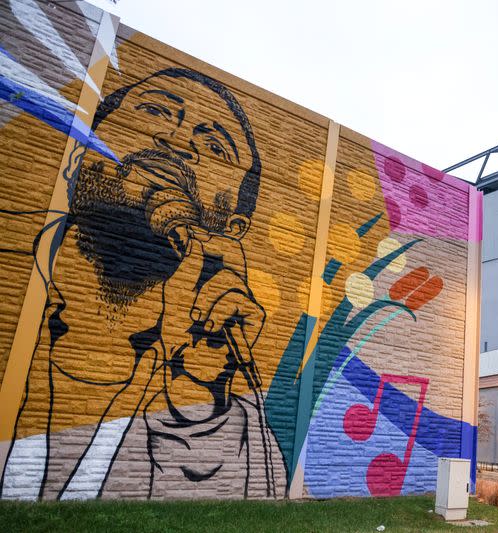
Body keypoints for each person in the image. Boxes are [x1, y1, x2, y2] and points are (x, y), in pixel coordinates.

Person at [1, 68, 285, 500]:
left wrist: (199, 383)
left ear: (234, 226)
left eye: (213, 146)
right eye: (154, 110)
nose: (175, 141)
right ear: (81, 151)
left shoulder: (240, 428)